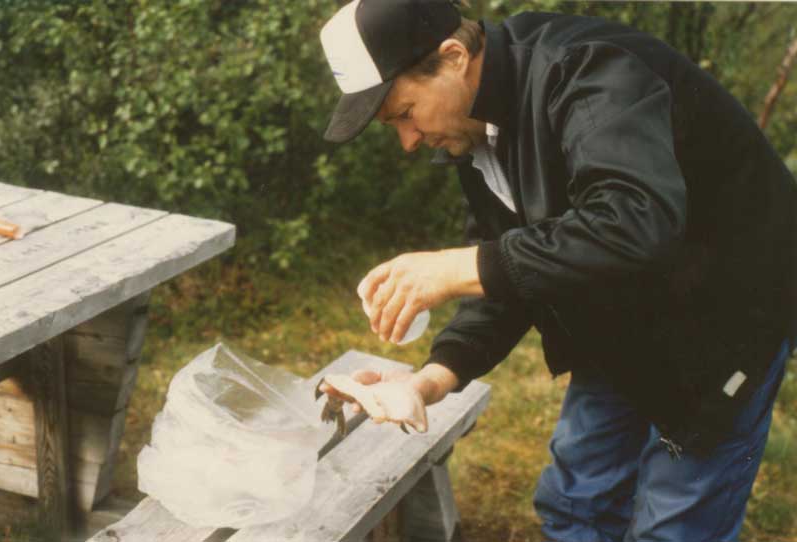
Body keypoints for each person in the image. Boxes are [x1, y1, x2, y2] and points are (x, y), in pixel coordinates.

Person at [318, 0, 797, 540]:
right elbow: (513, 270)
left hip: (726, 318)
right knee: (576, 506)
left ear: (452, 57)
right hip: (618, 314)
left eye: (405, 113)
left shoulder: (586, 71)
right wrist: (429, 380)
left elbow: (632, 222)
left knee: (673, 526)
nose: (407, 140)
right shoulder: (477, 127)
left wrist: (462, 265)